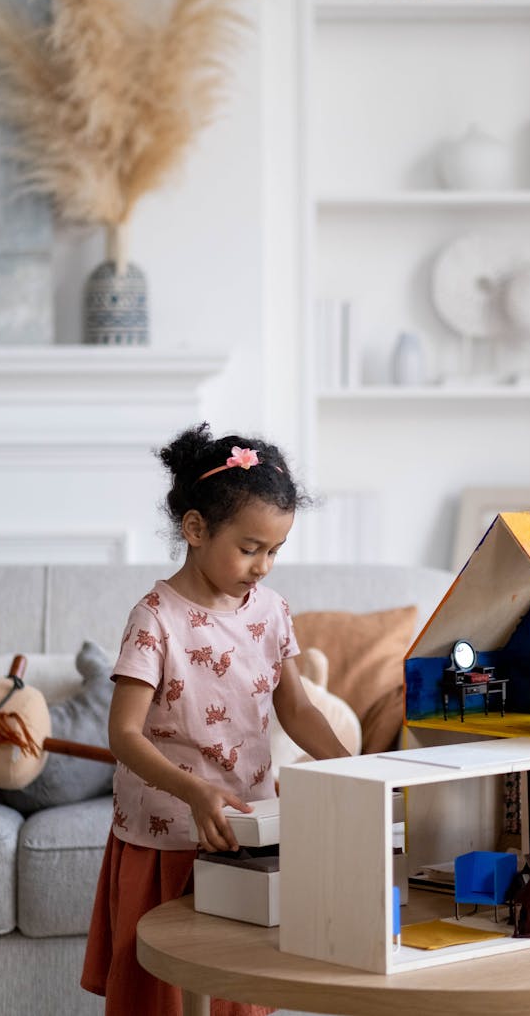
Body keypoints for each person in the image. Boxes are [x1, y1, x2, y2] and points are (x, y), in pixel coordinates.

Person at [81, 422, 350, 1016]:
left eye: (275, 550)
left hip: (248, 829)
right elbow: (123, 734)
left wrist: (352, 769)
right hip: (167, 833)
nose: (263, 566)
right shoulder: (154, 618)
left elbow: (297, 707)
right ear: (196, 529)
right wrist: (195, 791)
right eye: (250, 548)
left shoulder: (273, 611)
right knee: (164, 995)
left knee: (239, 988)